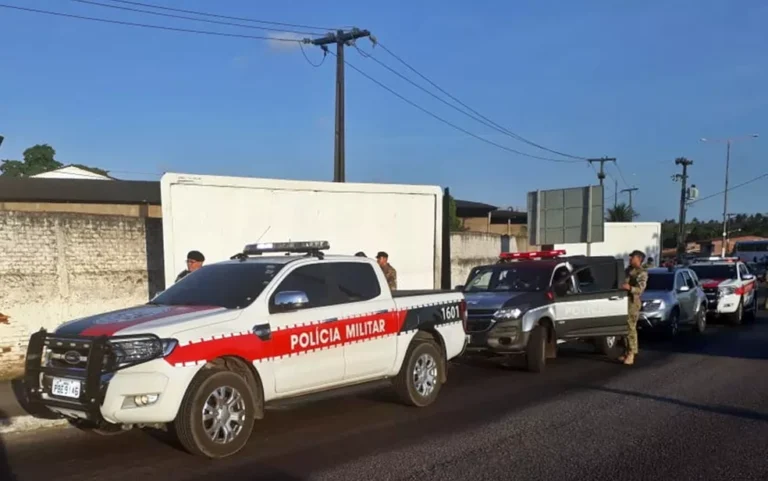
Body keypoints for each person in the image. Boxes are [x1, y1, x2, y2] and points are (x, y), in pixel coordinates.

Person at [620, 250, 648, 366]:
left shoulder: (641, 273)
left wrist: (629, 288)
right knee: (624, 328)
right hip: (623, 301)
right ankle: (626, 351)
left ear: (639, 259)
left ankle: (632, 353)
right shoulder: (627, 270)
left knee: (631, 328)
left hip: (632, 302)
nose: (630, 258)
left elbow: (640, 289)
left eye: (633, 257)